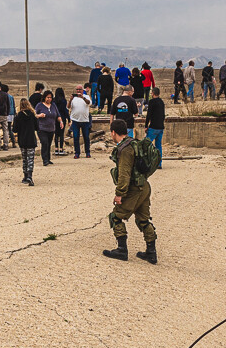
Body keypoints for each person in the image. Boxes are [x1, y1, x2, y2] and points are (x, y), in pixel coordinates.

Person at [101, 119, 157, 265]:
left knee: (116, 216)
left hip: (134, 189)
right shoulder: (134, 143)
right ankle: (151, 252)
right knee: (143, 219)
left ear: (113, 132)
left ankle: (121, 249)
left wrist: (119, 194)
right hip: (144, 186)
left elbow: (124, 174)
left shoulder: (125, 150)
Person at [13, 98, 39, 185]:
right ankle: (30, 175)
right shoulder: (32, 115)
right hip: (31, 139)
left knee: (24, 158)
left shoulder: (18, 116)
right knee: (30, 159)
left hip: (22, 140)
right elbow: (37, 127)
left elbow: (15, 129)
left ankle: (25, 176)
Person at [35, 91, 63, 166]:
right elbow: (34, 114)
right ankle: (44, 159)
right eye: (47, 97)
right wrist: (39, 115)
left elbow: (58, 115)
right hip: (42, 128)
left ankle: (48, 158)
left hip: (51, 128)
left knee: (49, 144)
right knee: (44, 143)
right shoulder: (39, 105)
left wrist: (61, 122)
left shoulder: (53, 105)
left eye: (50, 97)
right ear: (44, 97)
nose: (49, 99)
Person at [69, 85, 92, 158]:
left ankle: (87, 152)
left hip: (85, 120)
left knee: (86, 137)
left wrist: (83, 97)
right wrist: (70, 100)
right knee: (76, 137)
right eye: (77, 89)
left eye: (80, 89)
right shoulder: (74, 98)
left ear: (83, 90)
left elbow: (89, 103)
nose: (78, 91)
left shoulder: (86, 96)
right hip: (75, 120)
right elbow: (68, 106)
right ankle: (77, 153)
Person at [145, 87, 165, 167]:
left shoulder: (151, 102)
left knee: (146, 145)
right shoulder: (161, 102)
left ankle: (146, 163)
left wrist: (146, 125)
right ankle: (159, 163)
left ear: (153, 93)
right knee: (158, 145)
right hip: (160, 126)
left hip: (153, 126)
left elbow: (148, 114)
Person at [53, 86, 69, 155]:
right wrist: (69, 118)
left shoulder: (53, 101)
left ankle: (56, 149)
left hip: (55, 118)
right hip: (62, 118)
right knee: (61, 134)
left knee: (56, 134)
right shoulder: (64, 101)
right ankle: (61, 149)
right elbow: (65, 110)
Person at [2, 82, 17, 149]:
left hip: (6, 113)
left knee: (6, 129)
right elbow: (13, 105)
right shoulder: (11, 96)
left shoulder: (4, 96)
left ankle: (6, 143)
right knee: (9, 128)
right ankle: (13, 142)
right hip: (11, 113)